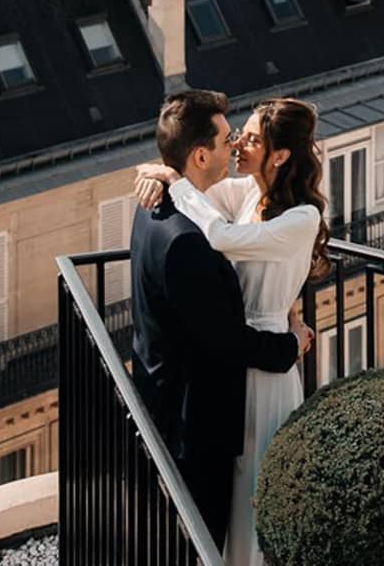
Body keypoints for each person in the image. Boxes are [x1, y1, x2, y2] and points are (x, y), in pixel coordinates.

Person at [134, 96, 328, 566]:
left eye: (253, 138)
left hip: (268, 362)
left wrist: (175, 179)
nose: (239, 143)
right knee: (233, 488)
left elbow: (218, 234)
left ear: (280, 155)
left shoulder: (303, 218)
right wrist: (159, 169)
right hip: (241, 359)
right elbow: (196, 190)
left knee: (257, 492)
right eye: (236, 134)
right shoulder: (245, 193)